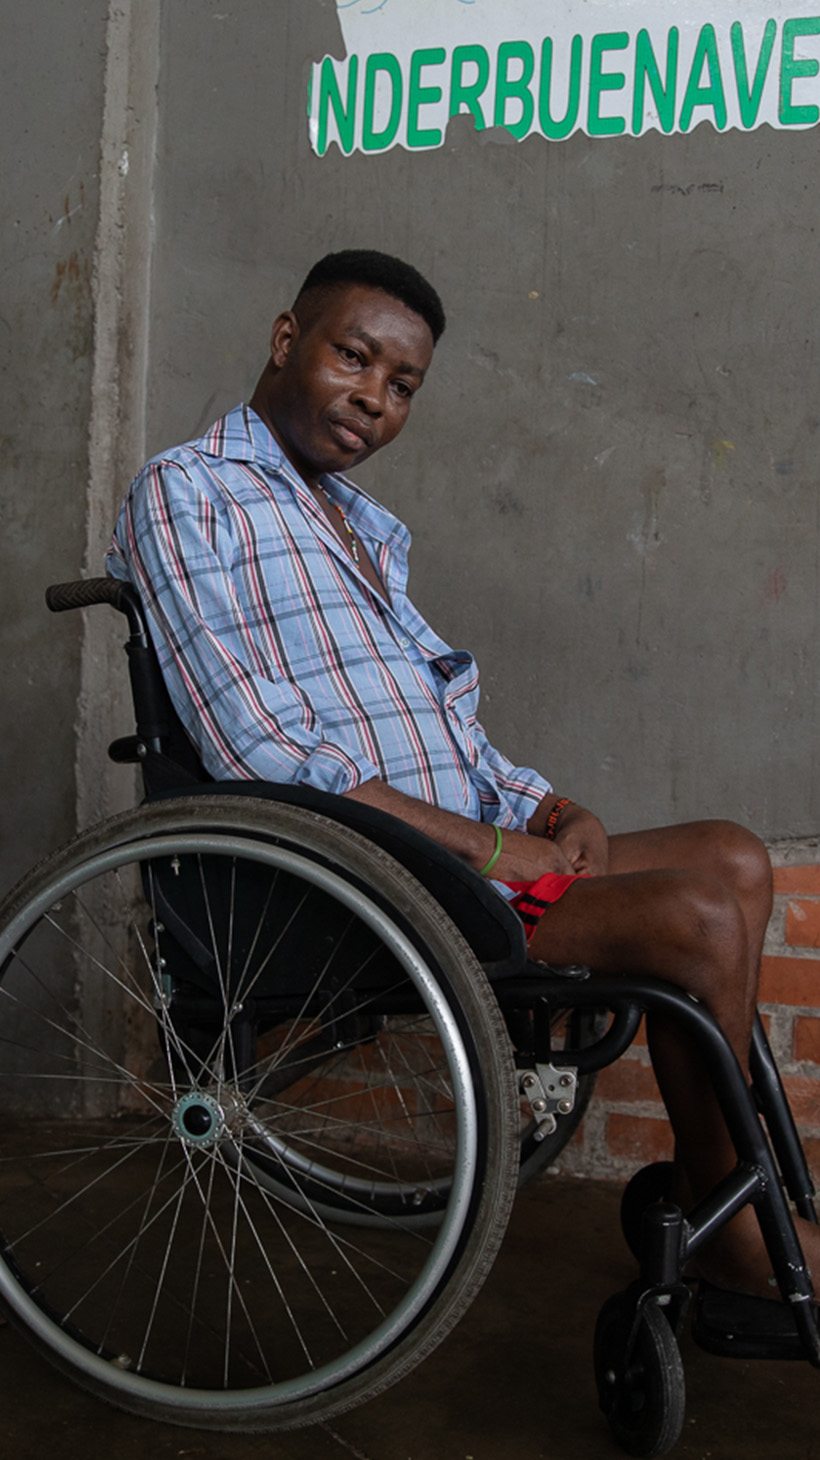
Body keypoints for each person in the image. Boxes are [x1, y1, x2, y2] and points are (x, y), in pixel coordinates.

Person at [108, 248, 817, 1300]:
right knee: (701, 919)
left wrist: (546, 805)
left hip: (458, 852)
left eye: (403, 386)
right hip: (364, 876)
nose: (374, 399)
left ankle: (736, 1191)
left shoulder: (355, 526)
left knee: (730, 854)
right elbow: (256, 745)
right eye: (354, 357)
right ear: (285, 339)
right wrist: (493, 847)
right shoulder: (188, 489)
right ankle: (744, 1240)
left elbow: (437, 715)